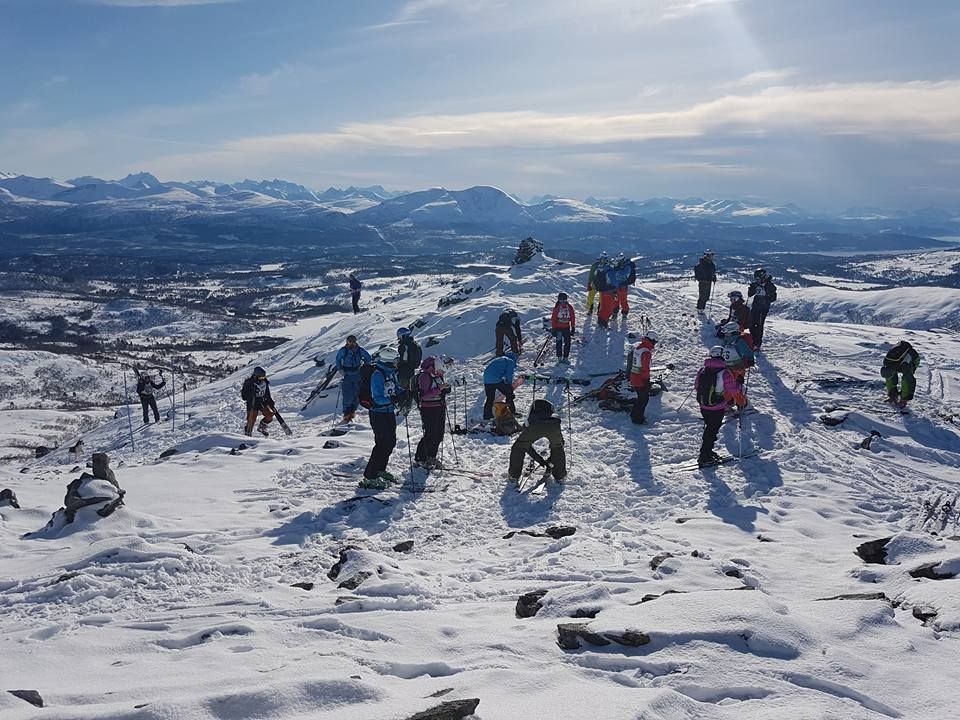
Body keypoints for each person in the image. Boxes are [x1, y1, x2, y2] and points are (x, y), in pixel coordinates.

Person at [695, 346, 746, 466]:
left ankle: (707, 452)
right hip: (717, 407)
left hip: (704, 405)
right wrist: (739, 383)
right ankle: (705, 456)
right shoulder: (724, 373)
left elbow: (696, 386)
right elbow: (733, 390)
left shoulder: (702, 370)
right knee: (712, 431)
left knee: (709, 429)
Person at [363, 347, 406, 483]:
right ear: (388, 360)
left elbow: (396, 388)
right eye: (395, 360)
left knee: (390, 442)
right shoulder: (377, 375)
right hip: (378, 413)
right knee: (382, 443)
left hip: (389, 412)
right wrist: (392, 400)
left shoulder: (391, 373)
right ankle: (370, 476)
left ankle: (380, 469)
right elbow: (377, 398)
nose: (397, 362)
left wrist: (404, 393)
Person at [507, 399, 567, 482]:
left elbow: (525, 446)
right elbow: (561, 443)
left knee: (518, 447)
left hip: (535, 424)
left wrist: (540, 460)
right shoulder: (553, 414)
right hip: (554, 424)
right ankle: (560, 476)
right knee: (557, 447)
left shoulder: (531, 414)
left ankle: (514, 475)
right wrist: (549, 460)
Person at [414, 357, 450, 468]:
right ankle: (421, 458)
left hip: (439, 406)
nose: (442, 373)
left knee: (439, 434)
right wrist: (439, 389)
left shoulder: (437, 375)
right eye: (442, 370)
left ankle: (431, 456)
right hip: (428, 408)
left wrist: (445, 389)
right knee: (430, 434)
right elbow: (424, 395)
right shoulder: (425, 376)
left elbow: (439, 388)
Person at [335, 335, 371, 423]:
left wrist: (364, 367)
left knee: (357, 394)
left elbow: (368, 358)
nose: (350, 344)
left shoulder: (359, 350)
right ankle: (346, 413)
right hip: (347, 374)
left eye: (352, 342)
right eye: (349, 342)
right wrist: (340, 369)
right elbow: (338, 359)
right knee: (347, 395)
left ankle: (352, 411)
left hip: (357, 374)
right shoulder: (344, 350)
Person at [626, 330, 657, 424]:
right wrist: (646, 380)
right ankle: (638, 419)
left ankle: (634, 414)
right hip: (640, 379)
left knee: (640, 398)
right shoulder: (646, 352)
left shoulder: (639, 347)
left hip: (634, 376)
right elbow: (645, 369)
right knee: (643, 400)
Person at [719, 322, 755, 396]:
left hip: (738, 366)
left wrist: (750, 359)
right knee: (727, 384)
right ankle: (729, 400)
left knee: (736, 385)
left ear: (732, 331)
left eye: (726, 331)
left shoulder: (739, 341)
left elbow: (747, 351)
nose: (725, 333)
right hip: (727, 367)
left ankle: (741, 402)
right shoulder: (726, 341)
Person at [882, 340, 921, 408]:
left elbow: (909, 380)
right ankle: (893, 395)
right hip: (897, 362)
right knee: (890, 377)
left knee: (906, 379)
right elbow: (889, 378)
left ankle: (904, 399)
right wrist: (892, 394)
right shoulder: (886, 362)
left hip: (912, 360)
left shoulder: (905, 365)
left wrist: (905, 398)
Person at [747, 268, 778, 351]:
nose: (757, 280)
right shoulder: (756, 284)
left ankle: (757, 343)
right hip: (755, 306)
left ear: (763, 277)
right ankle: (752, 340)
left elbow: (773, 298)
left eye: (758, 279)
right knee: (751, 323)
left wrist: (767, 294)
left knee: (759, 325)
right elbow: (750, 295)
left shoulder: (770, 286)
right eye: (756, 279)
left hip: (763, 308)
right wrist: (751, 289)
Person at [483, 351, 518, 420]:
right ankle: (511, 412)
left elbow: (497, 370)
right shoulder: (510, 361)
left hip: (487, 380)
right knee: (509, 394)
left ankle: (487, 416)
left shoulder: (499, 359)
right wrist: (509, 386)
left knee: (490, 398)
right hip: (496, 379)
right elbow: (509, 375)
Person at [241, 366, 274, 436]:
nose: (262, 379)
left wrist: (270, 401)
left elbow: (267, 393)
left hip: (262, 401)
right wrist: (250, 393)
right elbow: (244, 396)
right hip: (252, 402)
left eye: (263, 377)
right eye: (260, 377)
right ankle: (248, 432)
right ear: (255, 376)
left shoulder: (264, 382)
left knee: (270, 414)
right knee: (251, 419)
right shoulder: (249, 383)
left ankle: (262, 426)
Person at [551, 292, 576, 363]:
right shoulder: (557, 307)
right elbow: (554, 318)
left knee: (567, 343)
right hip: (558, 328)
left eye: (564, 300)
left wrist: (573, 327)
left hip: (566, 328)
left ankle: (566, 357)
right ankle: (559, 357)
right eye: (561, 301)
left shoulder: (569, 307)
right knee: (559, 342)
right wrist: (553, 328)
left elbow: (572, 317)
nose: (562, 302)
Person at [396, 327, 423, 392]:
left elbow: (404, 359)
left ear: (403, 335)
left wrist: (398, 364)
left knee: (403, 387)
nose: (399, 338)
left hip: (405, 369)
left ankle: (405, 400)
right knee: (410, 386)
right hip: (412, 368)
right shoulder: (414, 343)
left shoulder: (405, 345)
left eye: (399, 336)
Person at [595, 259, 618, 328]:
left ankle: (600, 321)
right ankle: (604, 323)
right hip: (609, 292)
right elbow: (615, 283)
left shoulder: (602, 270)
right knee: (608, 308)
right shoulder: (611, 272)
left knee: (603, 307)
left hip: (602, 292)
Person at [585, 251, 607, 316]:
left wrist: (589, 283)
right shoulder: (607, 266)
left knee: (596, 297)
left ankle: (594, 310)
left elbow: (591, 275)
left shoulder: (595, 265)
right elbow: (591, 275)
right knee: (594, 297)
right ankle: (592, 309)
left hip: (598, 284)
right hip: (599, 285)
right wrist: (589, 283)